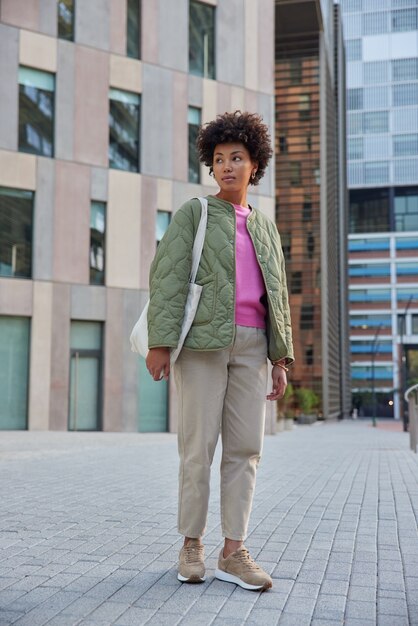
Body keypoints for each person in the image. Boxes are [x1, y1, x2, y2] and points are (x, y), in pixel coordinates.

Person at [146, 111, 294, 592]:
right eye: (219, 159)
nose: (227, 166)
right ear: (211, 168)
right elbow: (167, 278)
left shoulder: (266, 228)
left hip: (253, 348)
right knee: (197, 448)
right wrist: (160, 343)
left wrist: (280, 357)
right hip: (202, 346)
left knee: (246, 449)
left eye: (237, 157)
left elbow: (278, 292)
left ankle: (234, 550)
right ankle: (192, 544)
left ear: (255, 165)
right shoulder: (195, 213)